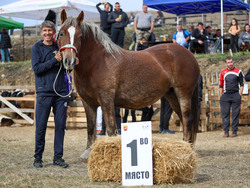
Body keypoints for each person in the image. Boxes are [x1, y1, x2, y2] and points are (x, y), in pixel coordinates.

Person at [31, 19, 69, 168]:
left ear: (54, 32)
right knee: (41, 126)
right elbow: (37, 69)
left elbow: (66, 67)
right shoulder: (36, 48)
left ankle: (58, 158)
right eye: (45, 31)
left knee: (60, 126)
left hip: (61, 93)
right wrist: (54, 60)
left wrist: (74, 63)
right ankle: (38, 158)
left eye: (50, 31)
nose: (47, 33)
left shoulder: (59, 46)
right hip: (44, 92)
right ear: (41, 32)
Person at [219, 57, 244, 138]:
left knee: (235, 113)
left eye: (231, 62)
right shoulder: (223, 72)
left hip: (235, 95)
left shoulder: (238, 71)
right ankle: (226, 131)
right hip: (225, 95)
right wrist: (220, 95)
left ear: (233, 62)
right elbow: (221, 84)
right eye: (228, 62)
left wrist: (240, 93)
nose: (230, 64)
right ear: (226, 63)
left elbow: (242, 83)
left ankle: (234, 131)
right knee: (225, 114)